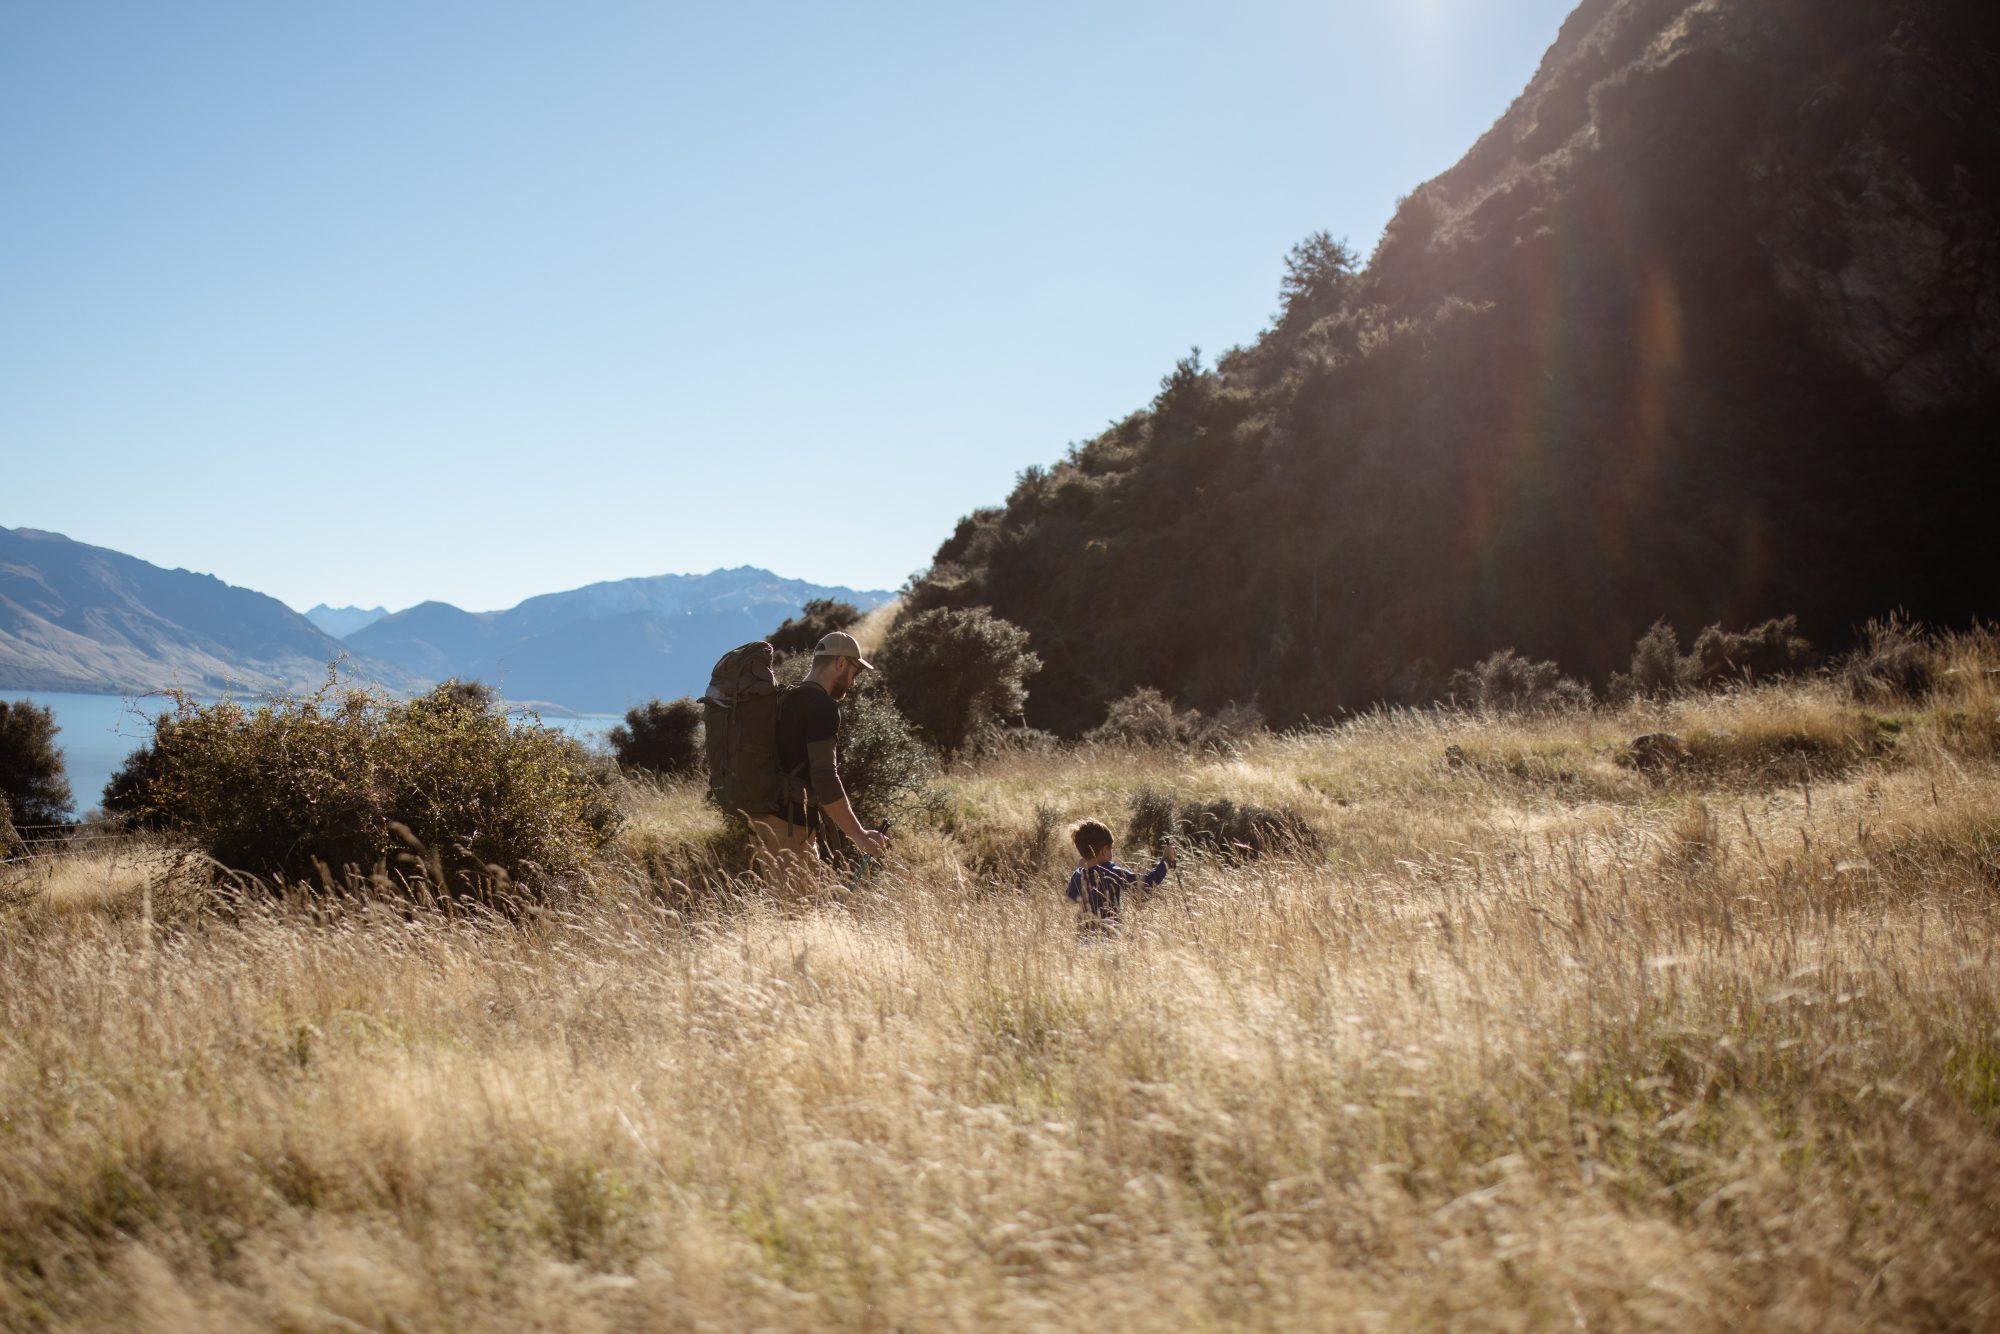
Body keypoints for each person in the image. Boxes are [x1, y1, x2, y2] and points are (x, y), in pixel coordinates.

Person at [748, 631, 891, 884]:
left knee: (787, 912)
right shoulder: (822, 706)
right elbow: (825, 777)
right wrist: (859, 835)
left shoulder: (786, 697)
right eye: (855, 673)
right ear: (840, 663)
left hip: (764, 820)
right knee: (798, 917)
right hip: (789, 827)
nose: (854, 682)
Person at [1064, 818, 1174, 935]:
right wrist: (1166, 861)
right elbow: (1148, 883)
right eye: (1111, 849)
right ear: (1105, 850)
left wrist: (1078, 868)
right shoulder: (1112, 872)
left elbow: (1070, 898)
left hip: (1084, 937)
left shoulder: (1078, 874)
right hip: (1109, 937)